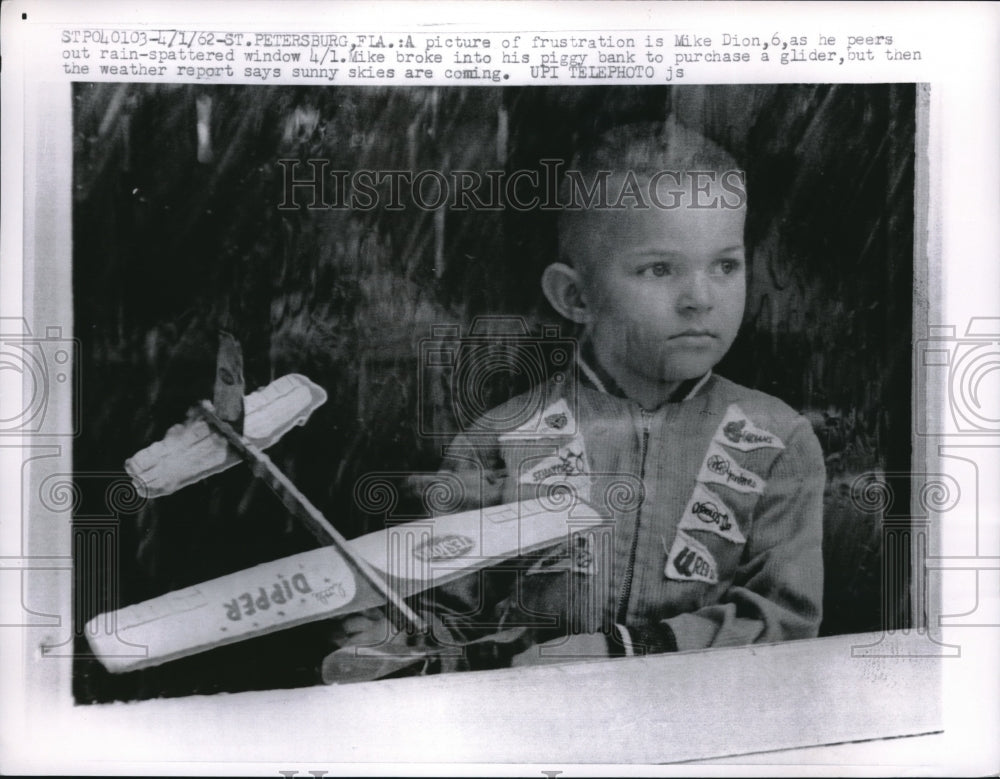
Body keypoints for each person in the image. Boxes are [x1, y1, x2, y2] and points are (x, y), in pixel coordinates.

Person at [321, 118, 825, 681]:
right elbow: (449, 617)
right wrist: (388, 643)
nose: (700, 299)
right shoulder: (502, 438)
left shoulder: (777, 438)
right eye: (659, 268)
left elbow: (785, 622)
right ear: (575, 295)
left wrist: (628, 652)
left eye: (725, 265)